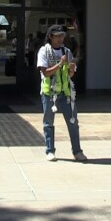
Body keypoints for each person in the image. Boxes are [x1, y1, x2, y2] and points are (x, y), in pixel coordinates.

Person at [37, 24, 86, 162]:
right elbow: (45, 73)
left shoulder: (67, 51)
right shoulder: (44, 51)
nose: (60, 39)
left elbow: (69, 75)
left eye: (62, 36)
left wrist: (71, 70)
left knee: (73, 122)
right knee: (48, 123)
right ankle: (50, 151)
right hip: (49, 93)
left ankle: (77, 151)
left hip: (65, 93)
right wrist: (60, 64)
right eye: (57, 36)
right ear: (50, 37)